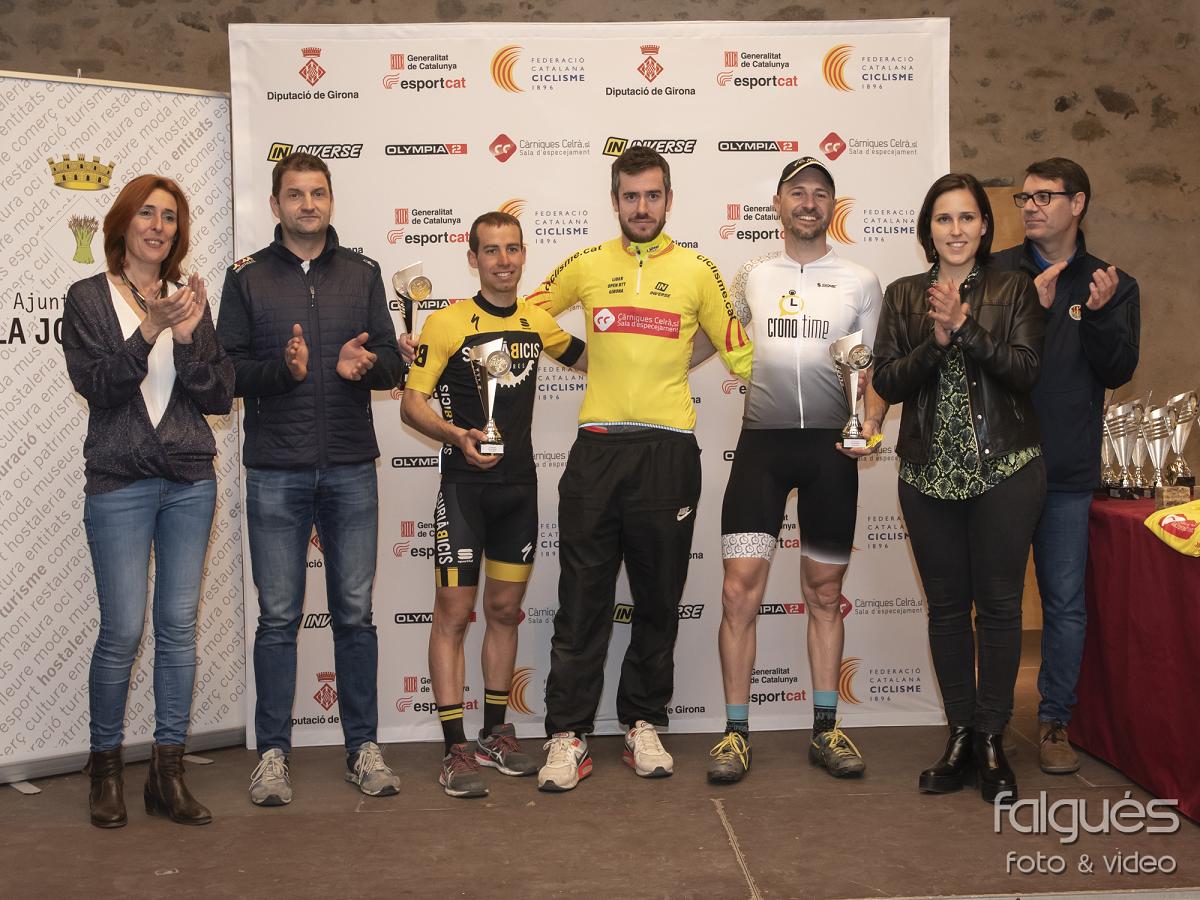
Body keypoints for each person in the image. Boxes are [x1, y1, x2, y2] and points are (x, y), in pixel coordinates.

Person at [525, 146, 754, 792]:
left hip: (668, 452)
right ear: (615, 201)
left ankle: (643, 722)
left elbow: (739, 352)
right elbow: (531, 310)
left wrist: (812, 394)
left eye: (653, 195)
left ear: (669, 200)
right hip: (597, 450)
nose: (642, 207)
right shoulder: (588, 263)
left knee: (658, 600)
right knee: (582, 599)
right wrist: (577, 355)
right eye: (631, 196)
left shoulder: (697, 270)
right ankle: (568, 734)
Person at [216, 152, 403, 806]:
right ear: (276, 204)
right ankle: (272, 755)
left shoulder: (363, 273)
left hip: (350, 464)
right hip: (275, 469)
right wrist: (284, 371)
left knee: (354, 613)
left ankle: (363, 748)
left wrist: (364, 366)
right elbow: (227, 373)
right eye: (294, 194)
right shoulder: (245, 278)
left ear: (330, 200)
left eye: (317, 193)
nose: (307, 204)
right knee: (277, 618)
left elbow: (392, 367)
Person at [63, 174, 234, 828]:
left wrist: (187, 337)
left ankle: (168, 774)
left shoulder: (188, 298)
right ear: (123, 223)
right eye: (147, 213)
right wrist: (148, 330)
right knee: (123, 630)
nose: (158, 226)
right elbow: (99, 386)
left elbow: (217, 394)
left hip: (189, 482)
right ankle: (105, 771)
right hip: (119, 484)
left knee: (179, 630)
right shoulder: (88, 297)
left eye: (169, 216)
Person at [707, 158, 885, 785]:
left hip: (831, 453)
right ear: (778, 205)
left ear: (833, 206)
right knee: (738, 591)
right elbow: (713, 338)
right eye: (797, 193)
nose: (809, 203)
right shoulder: (751, 275)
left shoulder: (861, 280)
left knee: (825, 594)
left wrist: (869, 423)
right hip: (762, 446)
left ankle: (826, 728)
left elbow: (872, 369)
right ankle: (735, 732)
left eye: (820, 194)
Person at [872, 173, 1046, 805]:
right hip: (927, 476)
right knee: (946, 611)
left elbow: (1025, 371)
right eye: (943, 218)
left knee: (998, 609)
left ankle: (993, 741)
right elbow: (886, 381)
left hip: (1005, 471)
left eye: (967, 217)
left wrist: (966, 327)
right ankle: (960, 737)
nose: (956, 230)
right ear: (928, 228)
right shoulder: (903, 295)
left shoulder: (1013, 288)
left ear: (984, 226)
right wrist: (936, 339)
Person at [401, 212, 586, 798]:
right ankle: (455, 746)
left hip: (519, 491)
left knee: (504, 612)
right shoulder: (447, 322)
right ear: (473, 258)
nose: (503, 261)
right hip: (464, 490)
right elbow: (411, 403)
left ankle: (495, 733)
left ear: (524, 254)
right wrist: (456, 435)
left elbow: (595, 359)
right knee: (454, 614)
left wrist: (666, 338)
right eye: (491, 251)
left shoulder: (537, 320)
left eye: (512, 249)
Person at [991, 158, 1139, 775]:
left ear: (1077, 203)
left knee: (1066, 605)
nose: (1030, 206)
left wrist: (1098, 316)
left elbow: (1118, 370)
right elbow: (983, 359)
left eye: (1044, 196)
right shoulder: (996, 272)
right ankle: (989, 724)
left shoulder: (1112, 284)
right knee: (996, 604)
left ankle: (1055, 722)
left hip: (1067, 471)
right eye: (1024, 197)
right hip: (999, 466)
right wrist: (1032, 310)